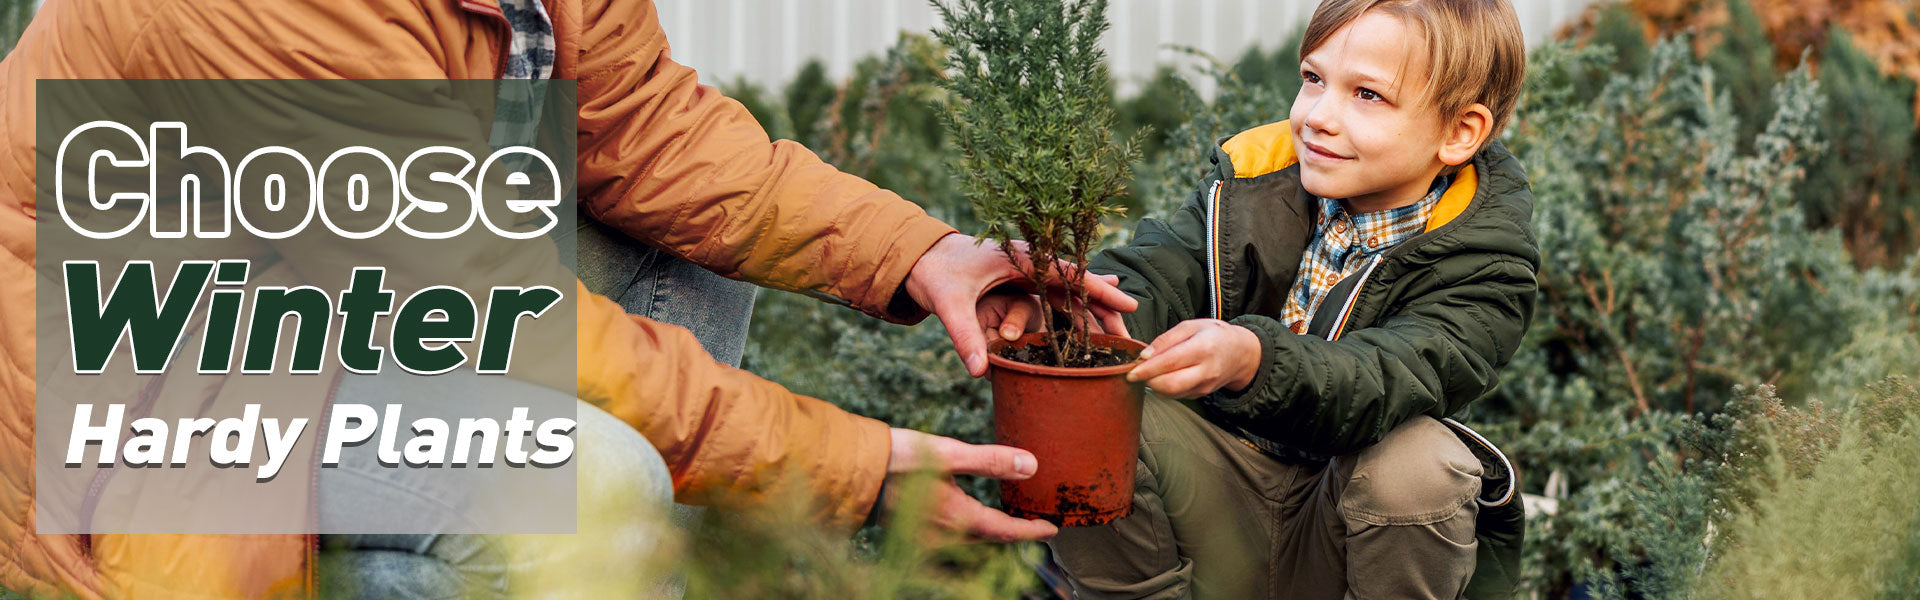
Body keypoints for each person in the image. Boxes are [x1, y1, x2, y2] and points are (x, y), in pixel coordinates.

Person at [0, 0, 1136, 596]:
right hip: (164, 382)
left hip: (348, 296)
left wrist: (915, 251)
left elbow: (645, 128)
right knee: (594, 476)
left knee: (681, 266)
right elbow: (487, 298)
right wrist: (856, 473)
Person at [1020, 0, 1537, 597]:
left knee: (1417, 467)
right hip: (1215, 501)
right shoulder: (1253, 186)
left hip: (1345, 528)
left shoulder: (1484, 262)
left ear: (1457, 133)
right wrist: (1079, 309)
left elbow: (1383, 377)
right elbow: (1161, 269)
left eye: (1367, 95)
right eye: (1313, 79)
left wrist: (1254, 361)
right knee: (1072, 403)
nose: (1318, 117)